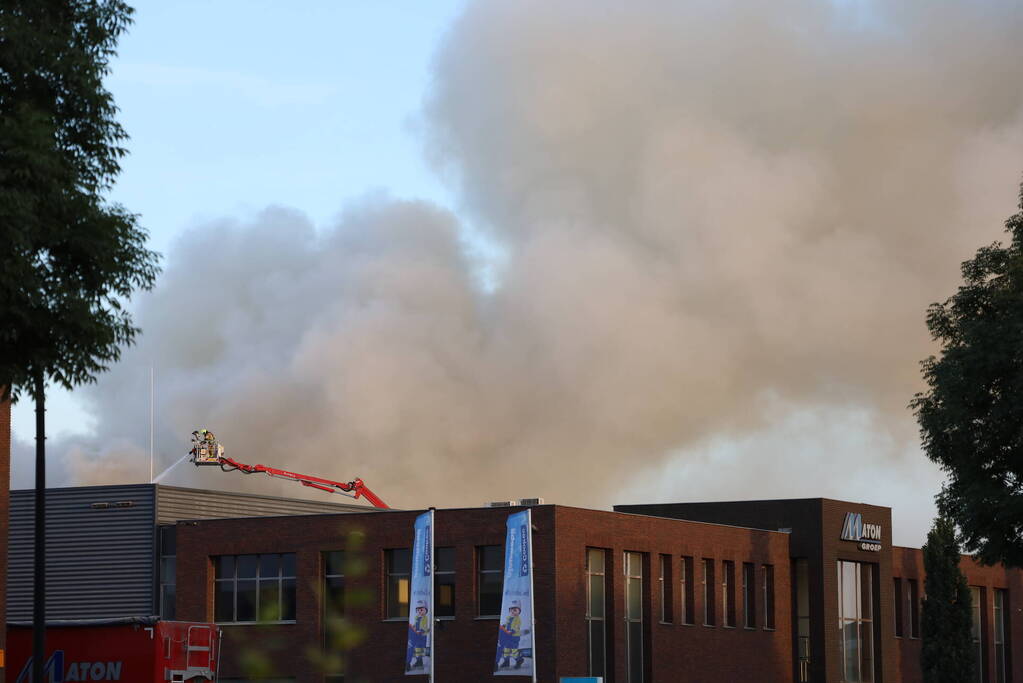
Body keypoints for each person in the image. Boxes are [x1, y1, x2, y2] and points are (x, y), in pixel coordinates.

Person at [497, 600, 524, 670]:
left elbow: (516, 627)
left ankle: (519, 660)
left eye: (515, 610)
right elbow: (507, 624)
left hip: (514, 637)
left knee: (514, 651)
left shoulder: (518, 619)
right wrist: (504, 626)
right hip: (507, 636)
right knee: (506, 650)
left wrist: (512, 631)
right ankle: (506, 661)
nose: (513, 612)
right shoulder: (509, 618)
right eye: (511, 610)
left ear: (519, 611)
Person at [407, 600, 430, 670]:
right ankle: (418, 661)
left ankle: (419, 661)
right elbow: (415, 624)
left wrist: (422, 630)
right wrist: (413, 627)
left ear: (425, 611)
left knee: (419, 648)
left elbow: (425, 626)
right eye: (418, 610)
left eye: (421, 610)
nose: (419, 611)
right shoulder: (416, 617)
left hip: (421, 636)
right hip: (416, 634)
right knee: (417, 648)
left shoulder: (425, 618)